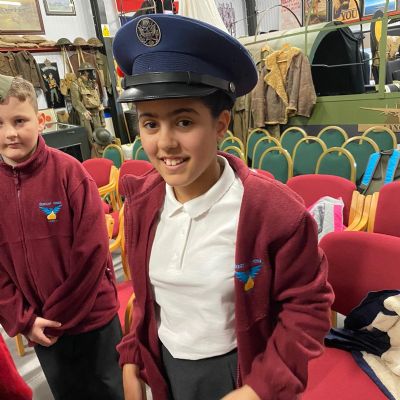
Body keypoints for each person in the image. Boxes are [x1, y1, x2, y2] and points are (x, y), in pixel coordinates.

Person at [113, 14, 334, 400]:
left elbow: (308, 310)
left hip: (239, 372)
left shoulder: (272, 212)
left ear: (220, 124)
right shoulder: (142, 201)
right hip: (166, 368)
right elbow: (147, 299)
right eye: (150, 124)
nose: (164, 143)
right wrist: (132, 357)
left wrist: (260, 388)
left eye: (184, 122)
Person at [0, 74, 124, 400]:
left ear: (40, 121)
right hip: (41, 327)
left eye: (19, 120)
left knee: (112, 391)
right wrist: (24, 320)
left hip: (93, 318)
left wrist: (56, 316)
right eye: (0, 124)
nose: (10, 133)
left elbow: (92, 251)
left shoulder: (69, 172)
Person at [70, 62, 105, 157]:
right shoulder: (75, 84)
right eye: (90, 71)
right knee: (89, 137)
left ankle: (102, 156)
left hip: (96, 112)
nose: (92, 73)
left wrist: (102, 117)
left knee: (100, 134)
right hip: (85, 113)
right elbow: (76, 101)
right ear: (85, 72)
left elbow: (98, 99)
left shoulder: (93, 83)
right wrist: (84, 111)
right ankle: (93, 158)